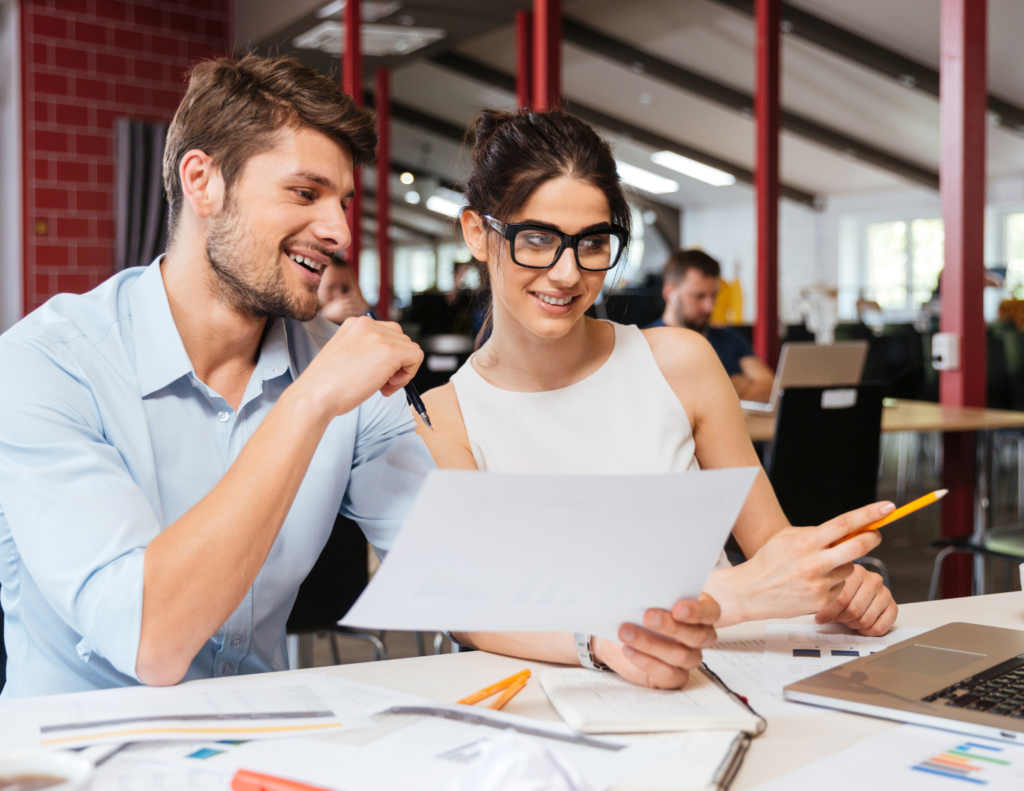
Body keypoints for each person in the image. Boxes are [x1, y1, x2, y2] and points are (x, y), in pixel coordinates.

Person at [415, 109, 897, 690]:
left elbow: (773, 547)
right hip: (561, 701)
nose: (567, 273)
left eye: (593, 242)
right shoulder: (445, 419)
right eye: (537, 239)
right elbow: (477, 613)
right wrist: (722, 598)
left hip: (722, 679)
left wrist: (838, 585)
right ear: (476, 232)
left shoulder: (680, 363)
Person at [0, 55, 431, 698]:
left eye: (343, 202)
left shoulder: (340, 369)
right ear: (203, 182)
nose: (340, 231)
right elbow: (153, 639)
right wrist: (309, 402)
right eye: (305, 193)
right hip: (81, 760)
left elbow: (457, 580)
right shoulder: (45, 363)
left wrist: (598, 643)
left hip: (260, 747)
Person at [648, 250, 774, 403]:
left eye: (713, 296)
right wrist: (734, 384)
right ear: (670, 292)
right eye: (698, 296)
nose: (709, 307)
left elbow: (770, 386)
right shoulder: (648, 342)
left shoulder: (728, 338)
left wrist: (707, 394)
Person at [318, 256, 370, 324]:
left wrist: (363, 307)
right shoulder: (303, 311)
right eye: (331, 287)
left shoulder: (350, 314)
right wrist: (324, 316)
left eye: (345, 287)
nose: (340, 295)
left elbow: (379, 330)